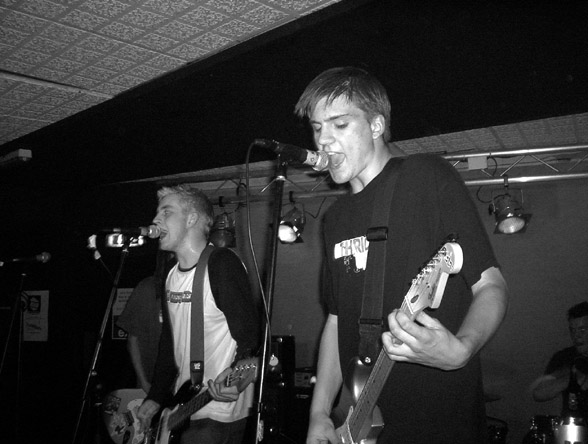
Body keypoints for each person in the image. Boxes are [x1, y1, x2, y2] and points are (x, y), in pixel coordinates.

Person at [294, 67, 509, 444]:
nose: (323, 141)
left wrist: (462, 350)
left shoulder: (426, 177)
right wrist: (319, 413)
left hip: (438, 422)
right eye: (317, 128)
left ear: (376, 125)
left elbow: (491, 284)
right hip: (359, 421)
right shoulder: (334, 219)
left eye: (339, 124)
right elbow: (336, 320)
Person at [136, 184, 260, 444]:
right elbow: (170, 343)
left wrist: (237, 381)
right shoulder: (170, 274)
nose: (156, 220)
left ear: (191, 218)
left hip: (218, 411)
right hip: (186, 405)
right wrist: (156, 396)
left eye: (166, 212)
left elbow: (250, 338)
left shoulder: (221, 263)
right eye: (157, 213)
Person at [116, 249, 170, 394]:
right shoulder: (147, 288)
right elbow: (133, 340)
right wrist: (143, 382)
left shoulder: (194, 287)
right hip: (150, 382)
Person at [531, 301, 588, 417]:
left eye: (582, 330)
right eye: (572, 330)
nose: (576, 336)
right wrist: (573, 378)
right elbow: (538, 394)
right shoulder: (564, 357)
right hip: (572, 425)